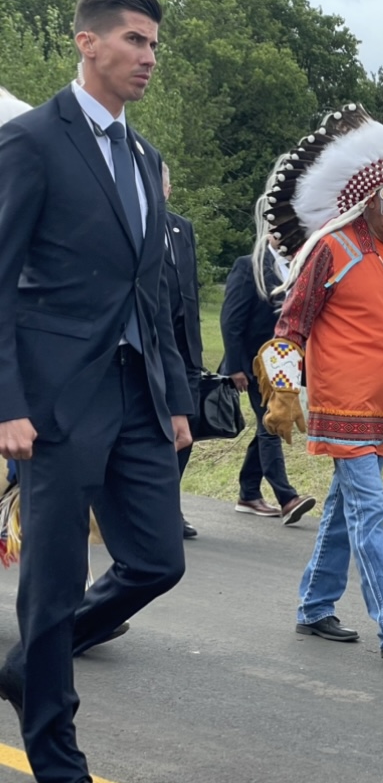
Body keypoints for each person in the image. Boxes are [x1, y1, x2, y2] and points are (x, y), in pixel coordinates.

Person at [0, 0, 192, 783]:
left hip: (136, 395)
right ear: (87, 42)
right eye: (133, 39)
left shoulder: (146, 158)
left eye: (154, 43)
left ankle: (27, 666)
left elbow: (151, 292)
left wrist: (176, 398)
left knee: (156, 560)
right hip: (54, 403)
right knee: (52, 586)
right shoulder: (32, 142)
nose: (148, 56)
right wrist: (6, 404)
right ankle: (61, 770)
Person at [257, 103, 383, 659]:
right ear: (370, 198)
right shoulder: (332, 248)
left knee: (345, 511)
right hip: (342, 404)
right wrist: (283, 391)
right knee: (370, 509)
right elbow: (290, 325)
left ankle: (314, 606)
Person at [219, 195, 314, 526]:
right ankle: (287, 498)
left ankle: (248, 492)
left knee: (268, 426)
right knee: (270, 426)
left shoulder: (299, 268)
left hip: (286, 366)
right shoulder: (249, 265)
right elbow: (231, 320)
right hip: (254, 365)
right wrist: (235, 366)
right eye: (280, 230)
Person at [161, 162, 203, 539]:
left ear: (169, 189)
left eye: (163, 183)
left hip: (184, 346)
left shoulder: (182, 228)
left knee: (186, 427)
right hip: (151, 347)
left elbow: (191, 288)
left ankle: (168, 504)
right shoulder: (131, 226)